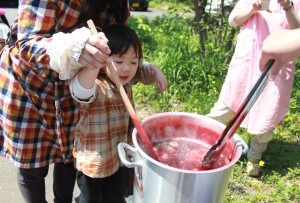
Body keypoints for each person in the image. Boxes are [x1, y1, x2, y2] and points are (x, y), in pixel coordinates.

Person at [0, 0, 167, 202]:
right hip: (31, 85)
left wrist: (138, 68)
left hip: (80, 82)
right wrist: (74, 48)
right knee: (33, 166)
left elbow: (115, 45)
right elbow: (27, 43)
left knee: (69, 158)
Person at [69, 24, 167, 203]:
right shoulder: (96, 84)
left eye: (133, 62)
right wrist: (94, 62)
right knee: (89, 200)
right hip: (94, 164)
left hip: (117, 159)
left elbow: (142, 68)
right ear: (103, 61)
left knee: (115, 199)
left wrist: (156, 72)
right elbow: (80, 91)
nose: (127, 69)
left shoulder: (125, 81)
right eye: (119, 61)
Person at [206, 0, 300, 176]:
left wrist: (288, 7)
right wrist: (253, 8)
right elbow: (233, 20)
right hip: (248, 61)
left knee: (268, 111)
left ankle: (254, 157)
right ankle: (203, 138)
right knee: (225, 107)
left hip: (278, 64)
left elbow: (298, 31)